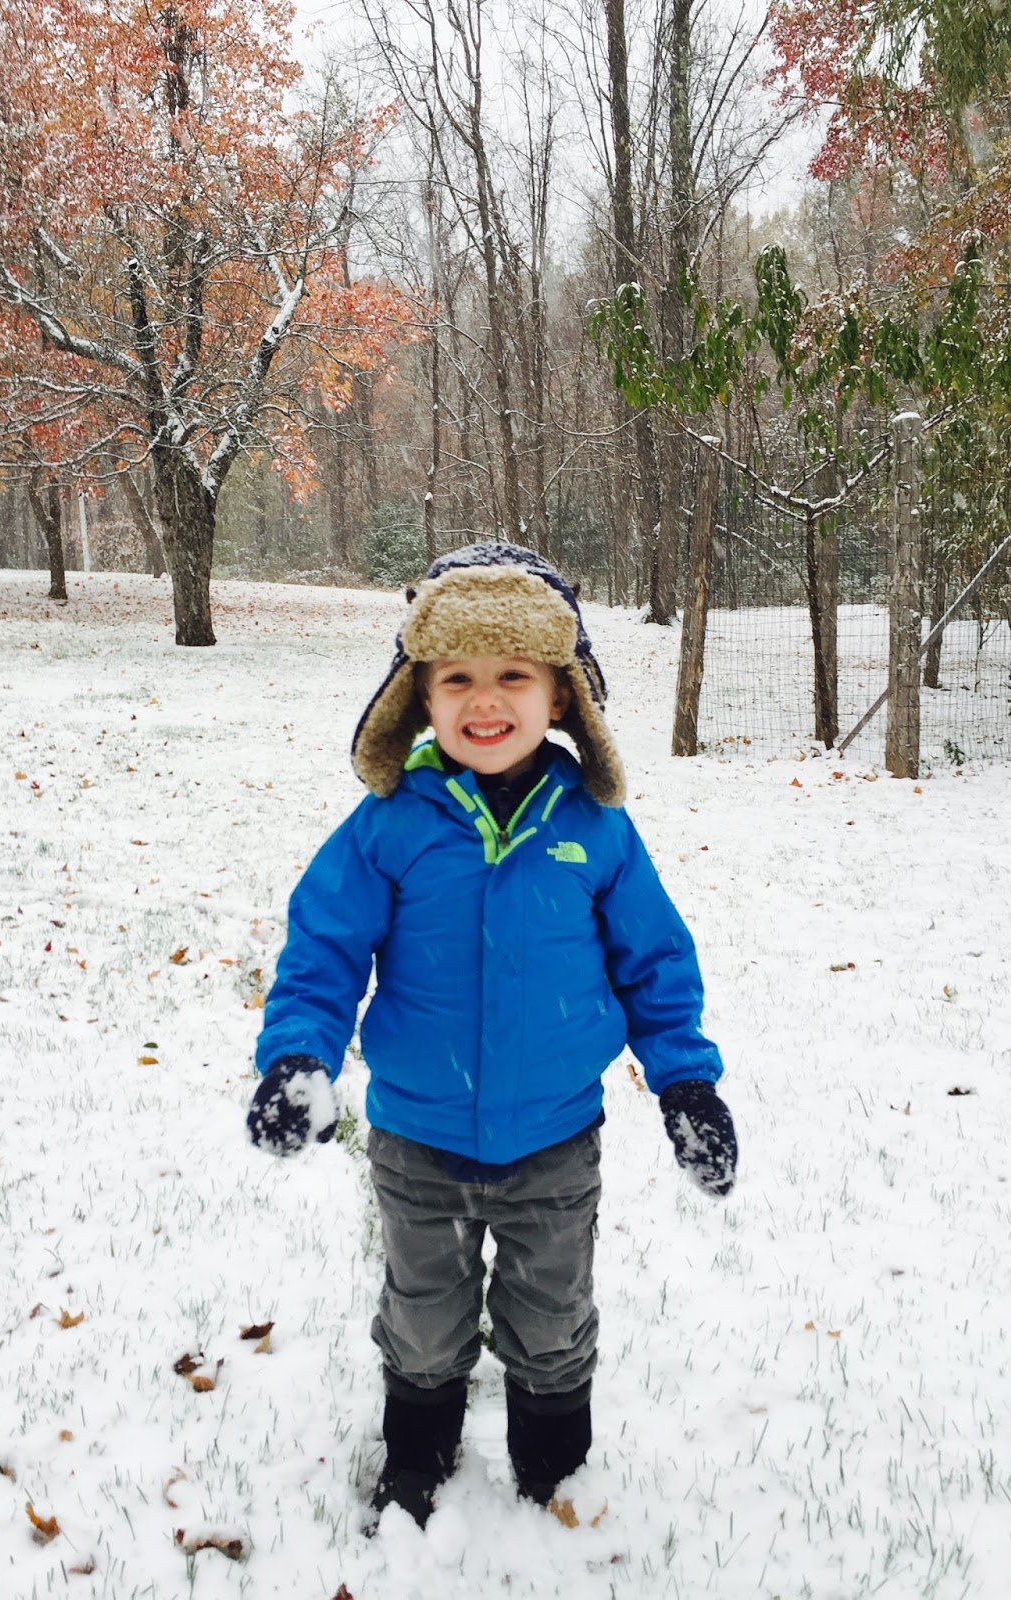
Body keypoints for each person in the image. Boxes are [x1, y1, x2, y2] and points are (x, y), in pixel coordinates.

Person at [246, 541, 738, 1529]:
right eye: (457, 677)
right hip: (418, 1138)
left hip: (555, 1141)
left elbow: (654, 963)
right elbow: (324, 949)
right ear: (418, 698)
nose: (485, 700)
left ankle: (552, 1459)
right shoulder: (390, 823)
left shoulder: (595, 827)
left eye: (513, 674)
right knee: (423, 1316)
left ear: (560, 696)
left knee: (551, 1316)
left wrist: (686, 1082)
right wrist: (298, 1055)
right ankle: (418, 1450)